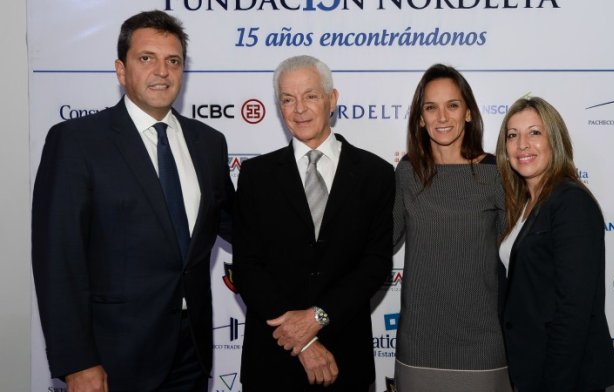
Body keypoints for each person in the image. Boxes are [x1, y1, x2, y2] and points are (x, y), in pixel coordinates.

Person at [31, 10, 234, 391]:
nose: (162, 71)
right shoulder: (77, 142)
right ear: (121, 70)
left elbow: (240, 226)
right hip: (111, 359)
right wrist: (78, 362)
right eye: (147, 58)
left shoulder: (208, 142)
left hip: (191, 353)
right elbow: (58, 258)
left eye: (173, 61)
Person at [232, 55, 394, 391]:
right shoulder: (255, 176)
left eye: (311, 96)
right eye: (288, 100)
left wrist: (317, 317)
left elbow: (375, 265)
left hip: (346, 357)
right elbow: (248, 268)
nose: (299, 109)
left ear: (332, 100)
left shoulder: (375, 174)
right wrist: (302, 341)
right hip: (273, 360)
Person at [392, 64, 511, 391]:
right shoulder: (407, 172)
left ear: (469, 113)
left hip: (484, 346)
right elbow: (378, 244)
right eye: (431, 107)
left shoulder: (496, 173)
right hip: (419, 346)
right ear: (420, 117)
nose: (442, 117)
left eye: (452, 105)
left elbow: (516, 258)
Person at [496, 96, 614, 391]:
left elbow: (574, 311)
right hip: (534, 369)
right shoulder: (525, 206)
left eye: (534, 132)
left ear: (555, 140)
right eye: (513, 135)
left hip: (566, 376)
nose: (522, 144)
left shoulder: (570, 201)